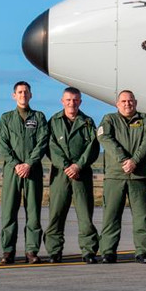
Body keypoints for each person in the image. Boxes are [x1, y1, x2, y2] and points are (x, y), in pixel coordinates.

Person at [97, 90, 146, 264]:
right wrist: (124, 159)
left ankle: (142, 251)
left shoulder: (145, 119)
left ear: (136, 102)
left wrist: (135, 160)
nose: (127, 104)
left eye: (130, 101)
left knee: (141, 217)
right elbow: (104, 138)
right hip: (115, 176)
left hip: (138, 177)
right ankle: (108, 251)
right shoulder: (109, 120)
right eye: (123, 101)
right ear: (117, 104)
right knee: (111, 216)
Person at [43, 87, 100, 264]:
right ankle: (54, 251)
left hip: (81, 174)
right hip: (60, 174)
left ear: (80, 102)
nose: (71, 103)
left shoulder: (87, 122)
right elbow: (50, 146)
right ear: (62, 101)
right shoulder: (53, 121)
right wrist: (66, 166)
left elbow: (93, 147)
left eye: (75, 100)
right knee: (56, 214)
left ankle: (89, 250)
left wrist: (78, 165)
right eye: (68, 100)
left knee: (85, 215)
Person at [0, 81, 49, 265]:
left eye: (26, 92)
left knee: (33, 211)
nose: (23, 95)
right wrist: (16, 164)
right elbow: (2, 143)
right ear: (13, 95)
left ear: (31, 95)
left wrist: (29, 163)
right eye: (19, 92)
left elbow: (42, 142)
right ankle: (8, 251)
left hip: (32, 170)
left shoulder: (39, 117)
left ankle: (31, 251)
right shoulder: (6, 118)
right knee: (9, 211)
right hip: (12, 170)